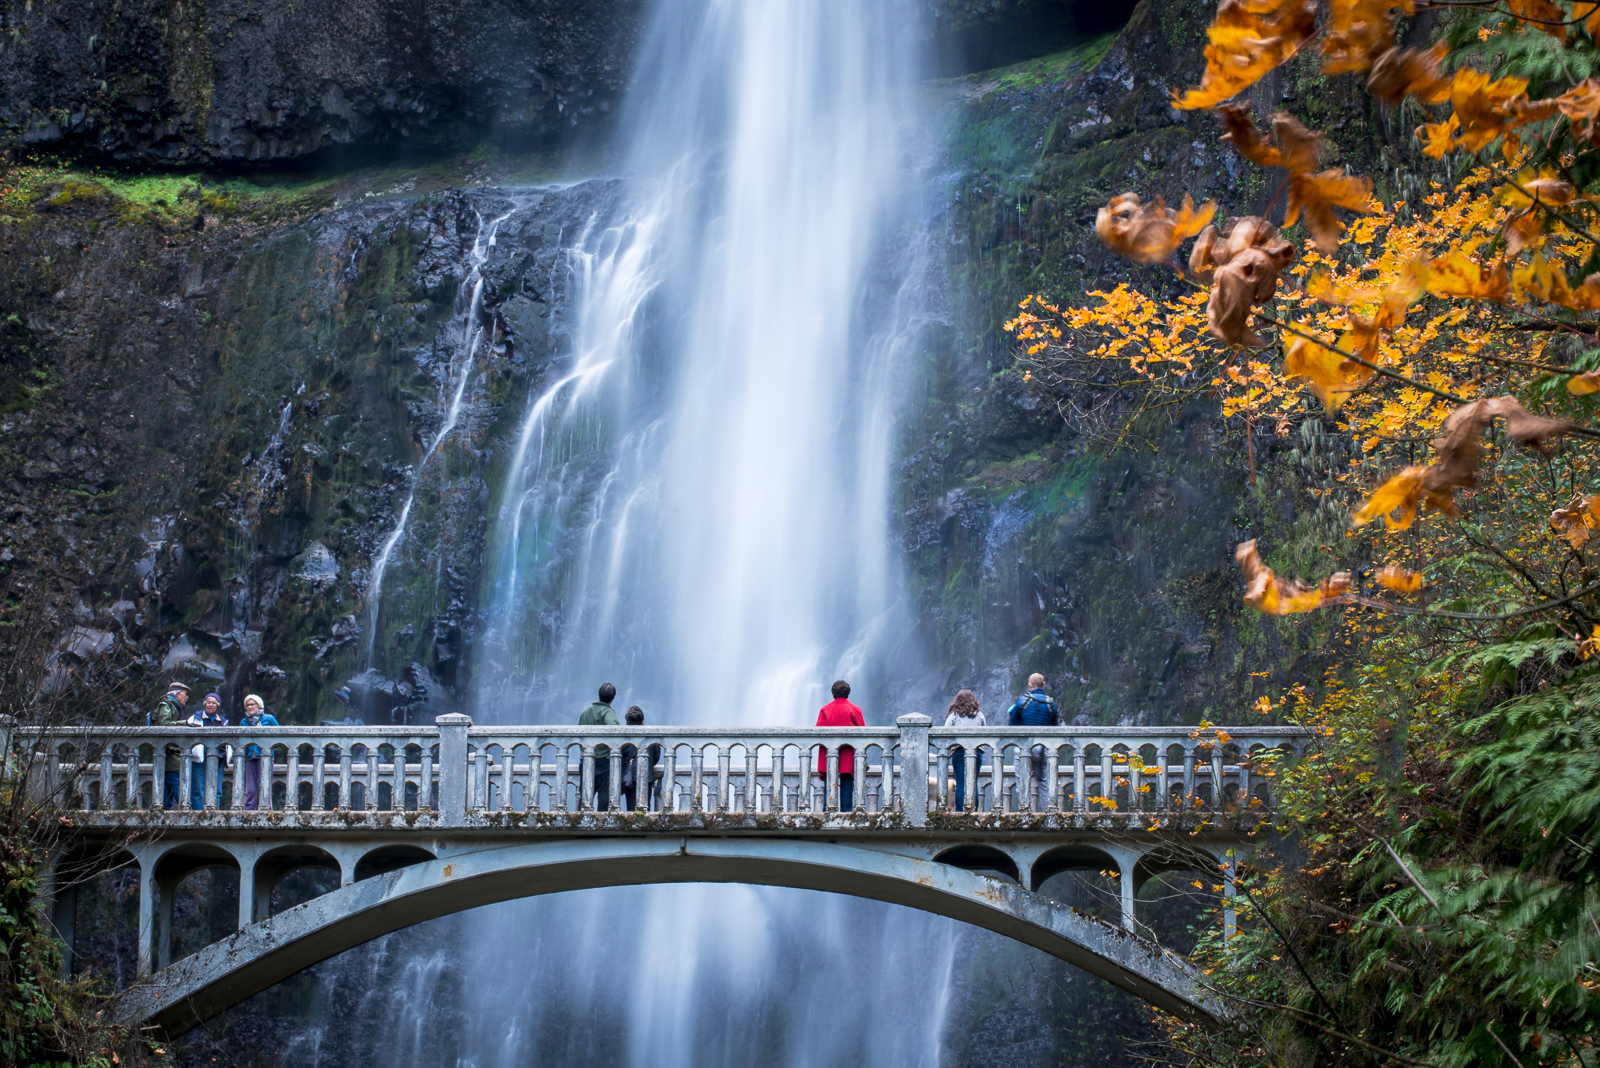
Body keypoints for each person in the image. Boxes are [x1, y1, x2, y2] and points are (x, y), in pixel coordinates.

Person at [1006, 672, 1060, 810]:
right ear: (1043, 685)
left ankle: (1026, 815)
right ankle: (1049, 815)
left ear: (1029, 685)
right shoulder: (1050, 703)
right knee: (1044, 786)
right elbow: (1055, 727)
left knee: (1022, 785)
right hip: (1043, 749)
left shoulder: (1022, 701)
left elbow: (1012, 724)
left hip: (1024, 748)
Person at [815, 679, 865, 812]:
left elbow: (817, 732)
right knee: (847, 783)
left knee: (828, 785)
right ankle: (846, 812)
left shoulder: (825, 710)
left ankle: (828, 811)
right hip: (847, 754)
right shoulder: (855, 710)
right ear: (848, 694)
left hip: (827, 754)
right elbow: (864, 733)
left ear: (833, 694)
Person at [579, 682, 620, 811]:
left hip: (585, 759)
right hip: (602, 761)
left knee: (585, 793)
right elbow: (614, 730)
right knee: (604, 796)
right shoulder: (607, 712)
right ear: (613, 698)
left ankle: (581, 820)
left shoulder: (586, 711)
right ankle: (601, 821)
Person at [149, 681, 190, 808]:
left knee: (167, 789)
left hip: (171, 754)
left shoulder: (172, 706)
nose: (187, 697)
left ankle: (165, 813)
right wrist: (185, 723)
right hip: (169, 754)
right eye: (185, 694)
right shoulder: (165, 705)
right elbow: (164, 725)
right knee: (176, 784)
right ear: (177, 693)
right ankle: (186, 811)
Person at [187, 692, 230, 811]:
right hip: (200, 759)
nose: (211, 705)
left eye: (213, 703)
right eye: (208, 702)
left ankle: (213, 814)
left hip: (219, 760)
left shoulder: (223, 722)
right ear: (204, 704)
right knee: (198, 789)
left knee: (217, 790)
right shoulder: (194, 719)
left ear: (218, 705)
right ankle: (198, 816)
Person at [944, 689, 985, 812]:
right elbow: (986, 732)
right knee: (973, 782)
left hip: (959, 751)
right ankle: (974, 810)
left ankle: (960, 811)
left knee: (961, 783)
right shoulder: (980, 715)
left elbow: (945, 734)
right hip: (976, 752)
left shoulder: (953, 716)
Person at [620, 705, 663, 812]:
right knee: (645, 807)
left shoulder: (624, 737)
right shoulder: (651, 735)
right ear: (642, 720)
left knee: (631, 808)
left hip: (630, 777)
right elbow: (656, 756)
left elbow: (620, 755)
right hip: (647, 776)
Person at [241, 694, 279, 811]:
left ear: (259, 705)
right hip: (249, 757)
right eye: (247, 705)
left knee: (265, 787)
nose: (249, 707)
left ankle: (267, 812)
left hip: (265, 757)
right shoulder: (244, 722)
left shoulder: (269, 719)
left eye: (252, 704)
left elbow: (281, 736)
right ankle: (248, 813)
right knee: (250, 789)